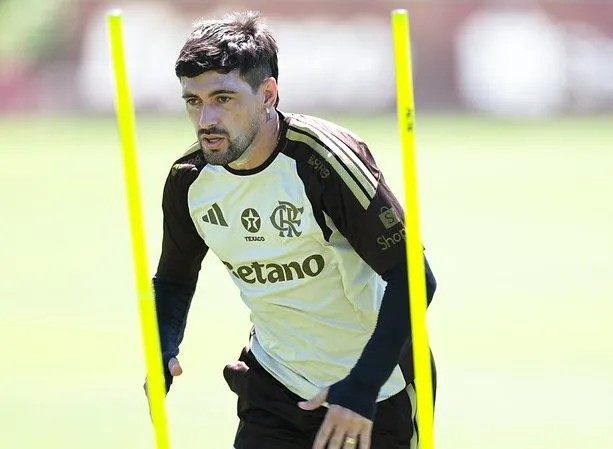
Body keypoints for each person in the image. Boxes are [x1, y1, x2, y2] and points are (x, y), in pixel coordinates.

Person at [144, 9, 438, 449]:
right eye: (193, 101)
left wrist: (358, 390)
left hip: (376, 387)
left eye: (223, 99)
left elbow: (414, 277)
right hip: (276, 383)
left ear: (267, 94)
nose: (206, 120)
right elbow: (172, 278)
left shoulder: (323, 163)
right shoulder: (190, 180)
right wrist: (163, 347)